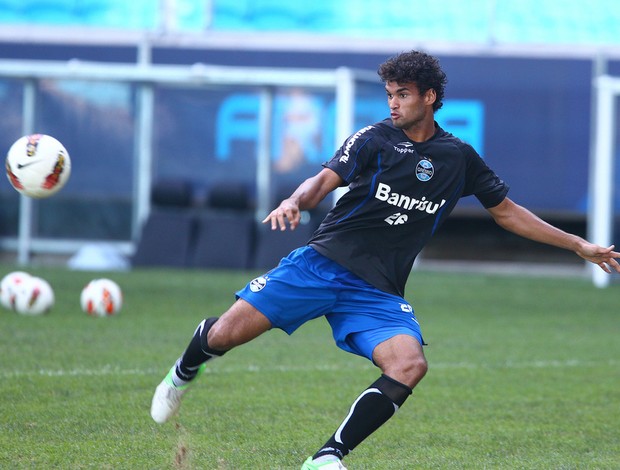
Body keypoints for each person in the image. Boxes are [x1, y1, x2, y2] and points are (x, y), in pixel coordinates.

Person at [150, 50, 620, 470]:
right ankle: (185, 370)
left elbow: (508, 213)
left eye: (403, 95)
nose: (392, 103)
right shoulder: (373, 139)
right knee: (223, 335)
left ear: (430, 97)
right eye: (389, 94)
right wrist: (296, 200)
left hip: (376, 289)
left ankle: (327, 456)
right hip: (320, 265)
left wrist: (577, 244)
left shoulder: (458, 158)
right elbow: (323, 180)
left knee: (409, 365)